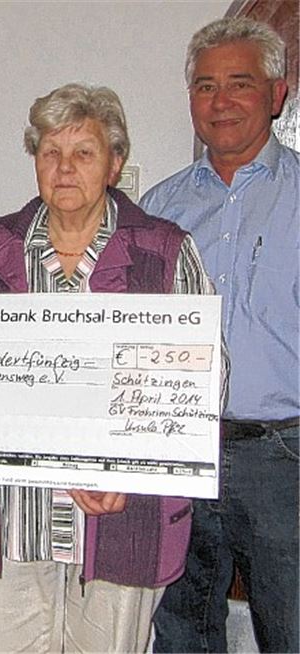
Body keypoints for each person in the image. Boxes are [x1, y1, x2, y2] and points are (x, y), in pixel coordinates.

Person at [0, 83, 217, 652]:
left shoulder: (164, 252)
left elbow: (202, 380)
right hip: (17, 515)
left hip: (122, 513)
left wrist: (126, 468)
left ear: (115, 163)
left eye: (84, 152)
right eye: (50, 151)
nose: (65, 168)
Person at [140, 17, 298, 653]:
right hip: (178, 449)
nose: (221, 100)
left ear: (277, 94)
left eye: (240, 83)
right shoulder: (157, 209)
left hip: (283, 457)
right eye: (206, 86)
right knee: (180, 632)